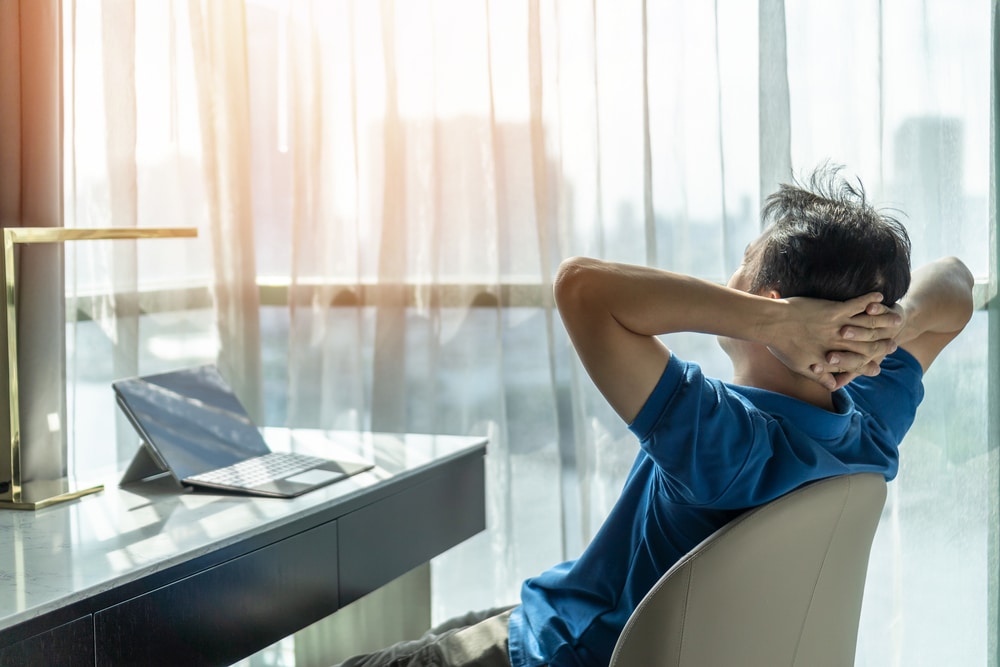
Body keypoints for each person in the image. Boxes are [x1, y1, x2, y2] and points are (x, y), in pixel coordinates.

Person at [337, 165, 975, 667]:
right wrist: (888, 333)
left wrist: (781, 323)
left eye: (741, 280)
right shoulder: (866, 422)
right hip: (573, 617)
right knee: (457, 624)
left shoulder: (727, 439)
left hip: (565, 651)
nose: (729, 286)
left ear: (769, 305)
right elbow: (956, 283)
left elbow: (580, 287)